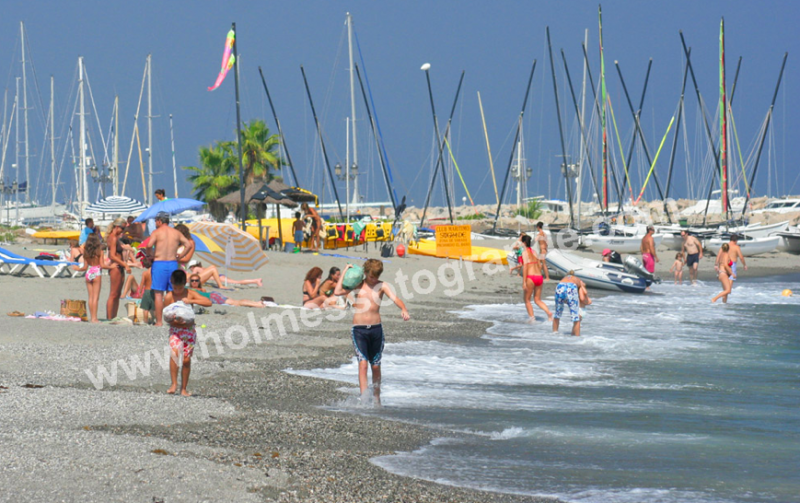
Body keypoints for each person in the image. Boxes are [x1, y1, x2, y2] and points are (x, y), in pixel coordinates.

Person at [334, 260, 410, 406]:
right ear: (365, 273)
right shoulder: (358, 284)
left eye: (376, 276)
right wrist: (345, 271)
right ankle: (364, 399)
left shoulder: (382, 286)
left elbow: (396, 299)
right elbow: (337, 292)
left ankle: (376, 399)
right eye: (371, 277)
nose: (374, 279)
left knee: (375, 366)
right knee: (363, 364)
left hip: (376, 330)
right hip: (359, 330)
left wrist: (403, 309)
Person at [163, 269, 211, 396]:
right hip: (175, 330)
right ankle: (174, 384)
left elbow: (208, 302)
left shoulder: (190, 293)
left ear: (185, 283)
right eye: (175, 287)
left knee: (186, 360)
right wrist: (175, 322)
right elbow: (166, 316)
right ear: (171, 283)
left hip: (189, 331)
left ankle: (183, 388)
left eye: (180, 287)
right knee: (174, 354)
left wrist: (192, 301)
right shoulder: (169, 296)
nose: (177, 290)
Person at [146, 212, 193, 327]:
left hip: (159, 263)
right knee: (172, 292)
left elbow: (148, 245)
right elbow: (188, 244)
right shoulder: (176, 233)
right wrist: (181, 255)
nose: (155, 223)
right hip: (172, 263)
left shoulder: (156, 232)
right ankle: (172, 319)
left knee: (158, 293)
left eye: (156, 221)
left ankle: (159, 321)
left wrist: (150, 255)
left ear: (159, 221)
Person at [76, 234, 113, 323]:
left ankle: (91, 316)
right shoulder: (99, 252)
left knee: (90, 297)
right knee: (95, 297)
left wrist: (78, 269)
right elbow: (103, 265)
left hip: (88, 272)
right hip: (96, 272)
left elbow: (85, 267)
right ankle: (94, 318)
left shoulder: (86, 252)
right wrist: (112, 267)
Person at [520, 234, 553, 322]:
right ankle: (548, 313)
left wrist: (524, 282)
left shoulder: (524, 253)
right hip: (539, 277)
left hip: (530, 277)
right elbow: (540, 265)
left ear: (523, 243)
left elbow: (525, 267)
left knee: (527, 300)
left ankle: (532, 318)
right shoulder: (534, 252)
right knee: (537, 299)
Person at [189, 274, 269, 308]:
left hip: (213, 297)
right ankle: (256, 303)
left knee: (237, 303)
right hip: (214, 295)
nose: (194, 282)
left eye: (196, 280)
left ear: (199, 281)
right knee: (236, 301)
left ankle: (258, 305)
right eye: (192, 280)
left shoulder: (189, 289)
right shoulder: (202, 289)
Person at [105, 218, 131, 320]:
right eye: (122, 228)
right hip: (115, 266)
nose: (123, 231)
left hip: (119, 266)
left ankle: (113, 317)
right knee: (113, 293)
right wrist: (125, 265)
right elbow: (112, 255)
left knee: (117, 294)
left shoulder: (116, 238)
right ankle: (109, 317)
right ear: (117, 226)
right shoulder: (113, 238)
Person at [186, 260, 262, 288]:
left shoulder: (196, 269)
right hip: (220, 276)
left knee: (237, 282)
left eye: (190, 268)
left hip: (218, 278)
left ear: (192, 266)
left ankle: (256, 281)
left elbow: (194, 278)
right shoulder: (203, 268)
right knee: (237, 281)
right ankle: (256, 280)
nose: (191, 269)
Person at [553, 270, 582, 336]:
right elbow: (582, 294)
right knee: (575, 316)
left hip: (560, 286)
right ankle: (577, 337)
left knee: (557, 313)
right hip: (571, 287)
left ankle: (554, 333)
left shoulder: (564, 279)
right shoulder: (577, 279)